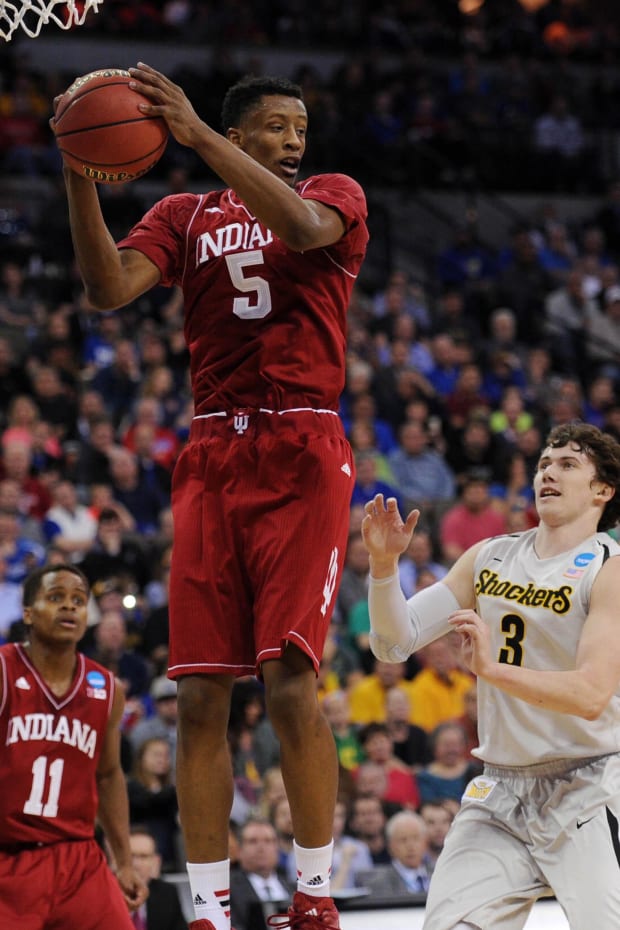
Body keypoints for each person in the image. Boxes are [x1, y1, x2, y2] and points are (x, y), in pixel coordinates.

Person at [54, 64, 368, 930]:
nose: (295, 138)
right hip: (212, 447)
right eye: (275, 125)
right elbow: (108, 288)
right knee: (198, 697)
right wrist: (80, 178)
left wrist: (200, 138)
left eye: (300, 125)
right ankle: (207, 910)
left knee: (290, 677)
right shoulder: (182, 216)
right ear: (241, 130)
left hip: (302, 443)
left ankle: (312, 894)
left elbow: (303, 226)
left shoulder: (335, 192)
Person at [361, 421, 620, 929]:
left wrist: (490, 669)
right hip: (501, 788)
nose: (549, 471)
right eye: (545, 462)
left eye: (568, 464)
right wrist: (384, 567)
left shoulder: (608, 569)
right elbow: (394, 643)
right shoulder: (491, 556)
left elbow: (590, 694)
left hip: (591, 785)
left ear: (602, 491)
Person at [0, 563, 147, 928]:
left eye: (78, 601)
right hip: (9, 858)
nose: (70, 607)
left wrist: (124, 861)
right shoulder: (4, 671)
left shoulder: (107, 688)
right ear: (29, 613)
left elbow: (110, 776)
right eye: (56, 598)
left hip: (79, 859)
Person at [129, 825, 188, 930]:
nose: (136, 864)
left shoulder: (168, 894)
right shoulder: (104, 896)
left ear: (156, 862)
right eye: (131, 856)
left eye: (143, 857)